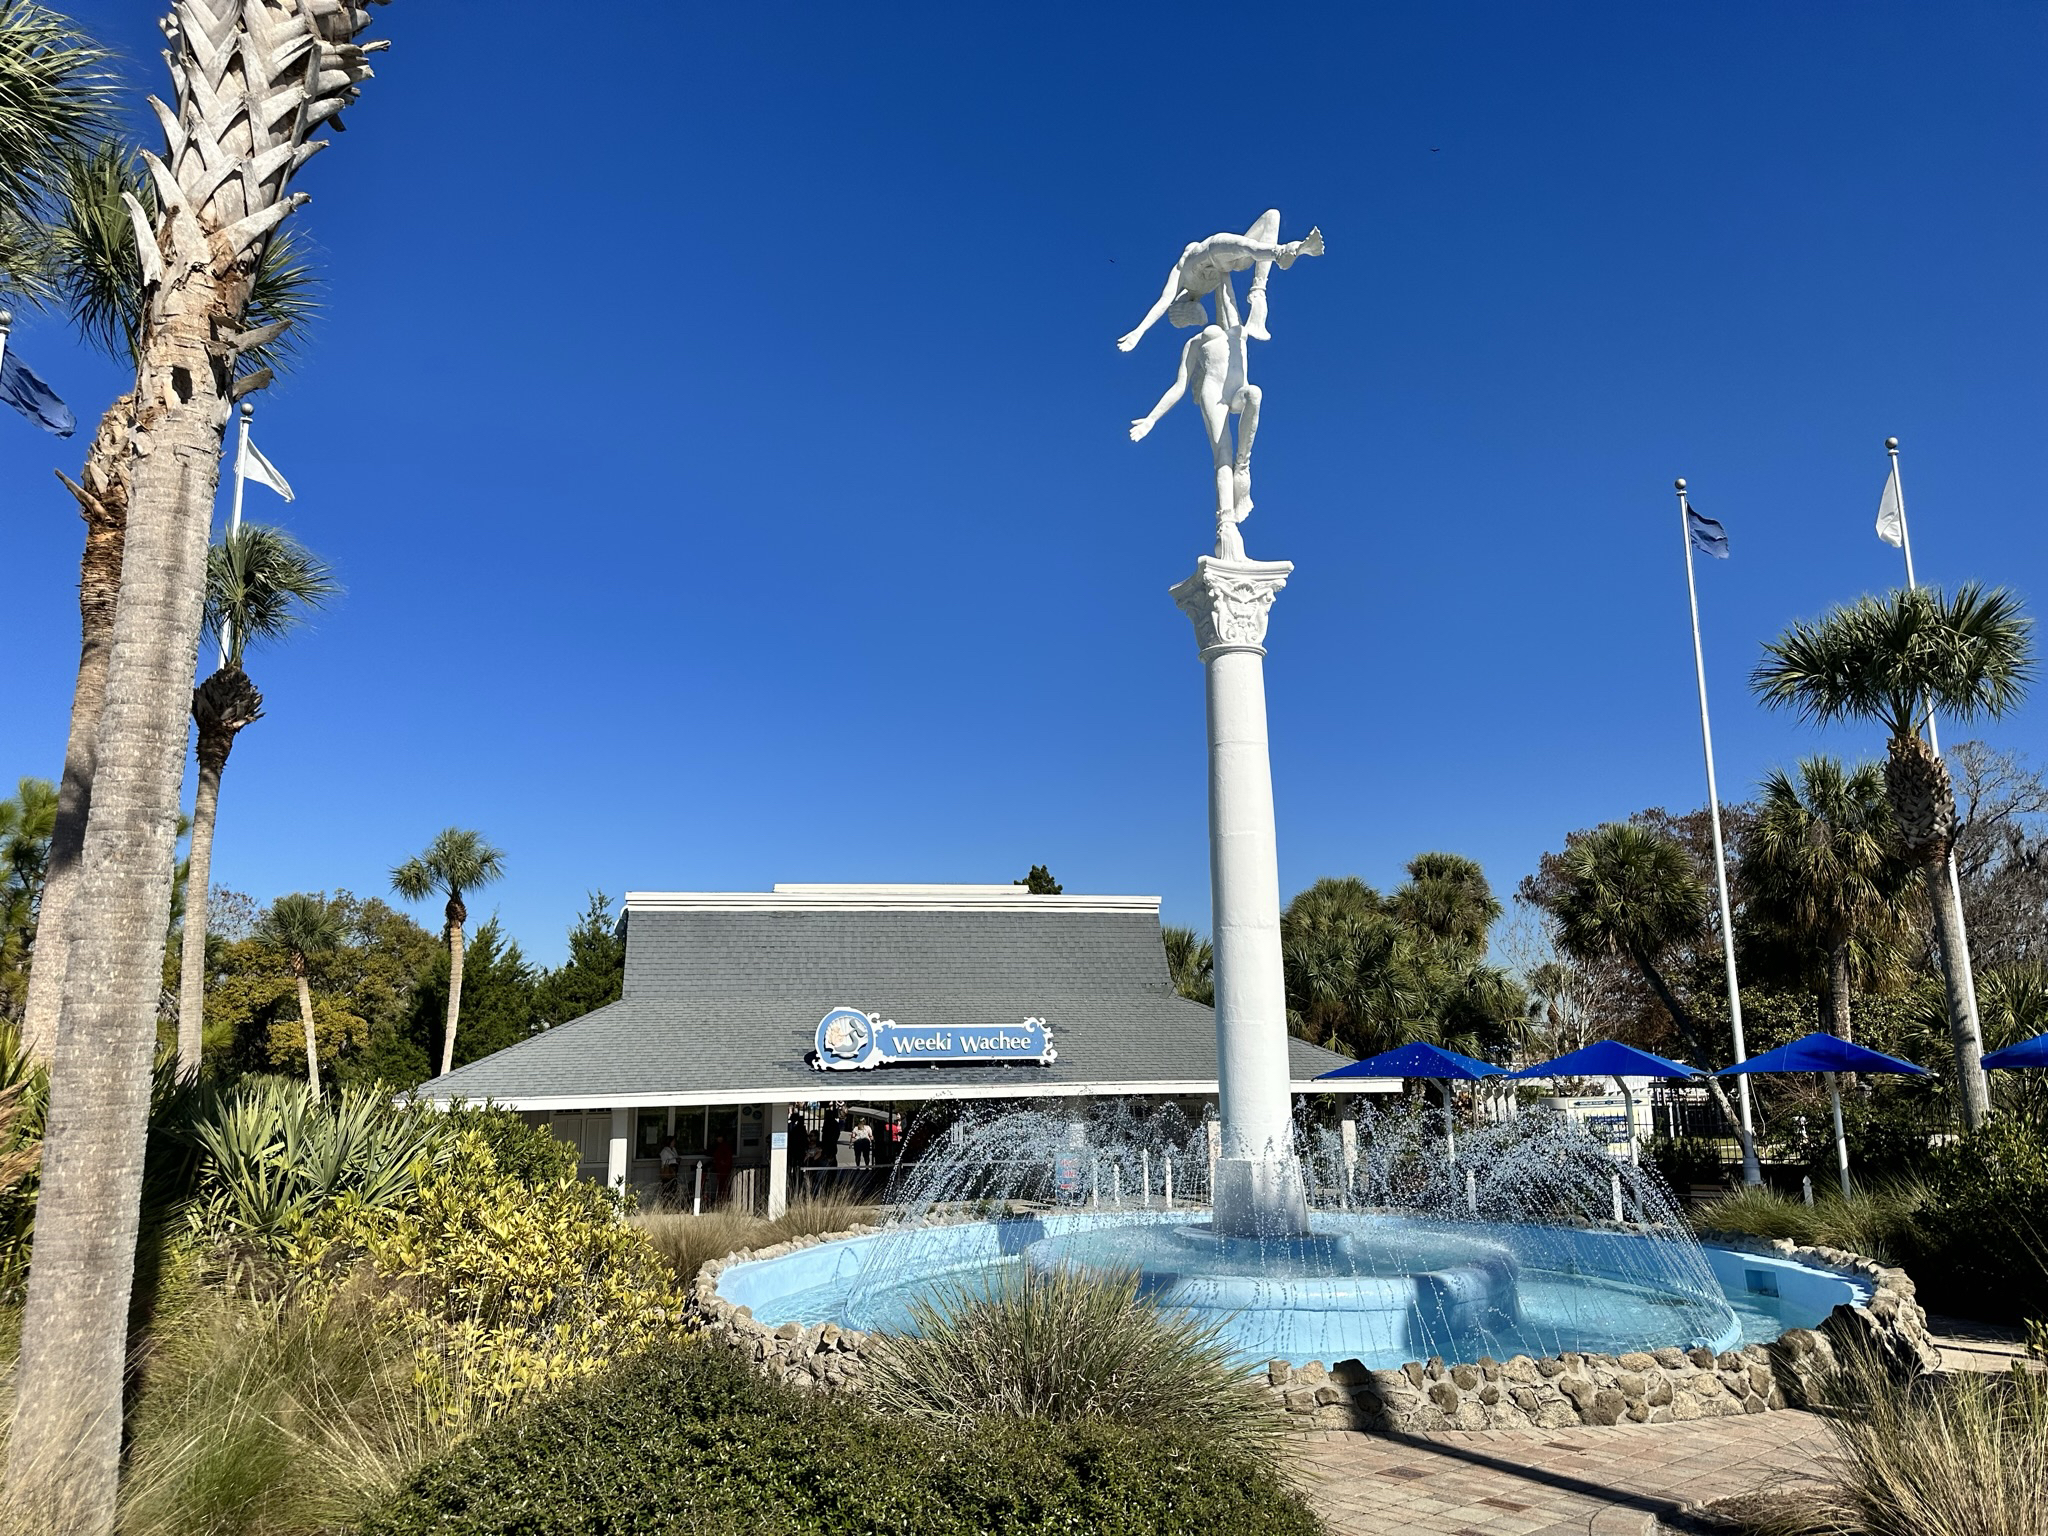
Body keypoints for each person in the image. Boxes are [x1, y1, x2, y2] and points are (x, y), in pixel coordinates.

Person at [709, 1132, 733, 1205]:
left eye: (720, 1137)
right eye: (717, 1137)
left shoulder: (725, 1146)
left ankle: (723, 1200)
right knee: (720, 1185)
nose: (718, 1139)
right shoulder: (717, 1146)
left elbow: (728, 1158)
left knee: (723, 1185)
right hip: (719, 1169)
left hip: (724, 1169)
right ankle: (720, 1200)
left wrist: (724, 1163)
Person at [657, 1134, 679, 1209]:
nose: (674, 1143)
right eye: (673, 1141)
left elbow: (676, 1157)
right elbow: (665, 1160)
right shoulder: (665, 1151)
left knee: (673, 1188)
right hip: (668, 1170)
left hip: (674, 1170)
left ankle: (672, 1205)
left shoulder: (673, 1149)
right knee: (667, 1188)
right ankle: (665, 1204)